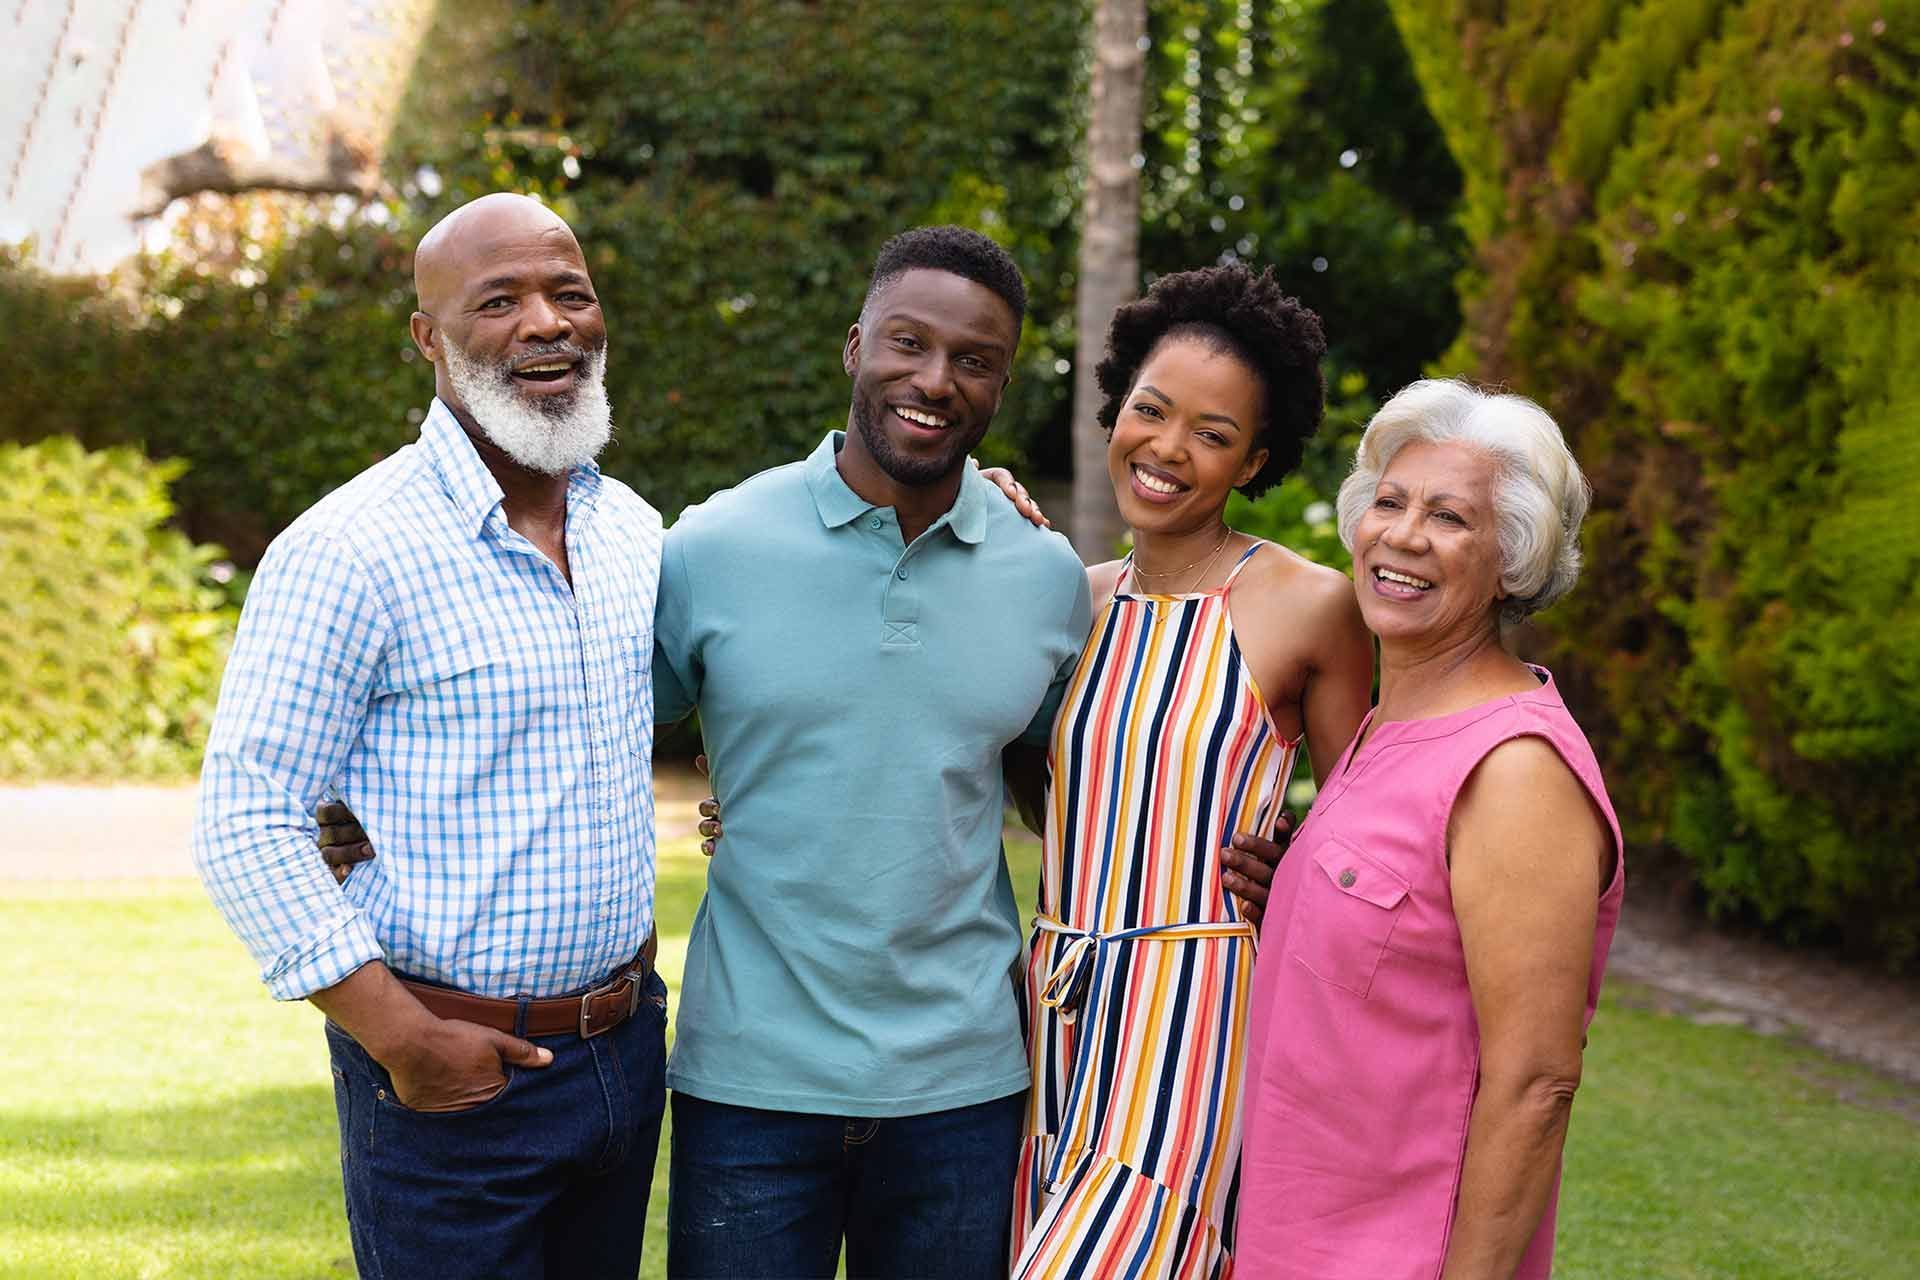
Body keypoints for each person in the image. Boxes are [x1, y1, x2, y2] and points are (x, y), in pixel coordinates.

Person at [193, 193, 670, 1280]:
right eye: (498, 300)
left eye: (570, 292)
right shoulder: (351, 547)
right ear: (429, 337)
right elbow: (245, 817)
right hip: (451, 1075)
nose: (545, 322)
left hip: (623, 1051)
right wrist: (404, 1038)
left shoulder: (632, 530)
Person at [652, 226, 1094, 1280]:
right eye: (908, 342)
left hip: (964, 1086)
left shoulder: (1046, 577)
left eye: (974, 359)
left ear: (1001, 382)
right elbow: (581, 737)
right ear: (856, 346)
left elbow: (1071, 785)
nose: (934, 380)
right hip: (751, 1080)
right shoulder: (711, 547)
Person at [1003, 263, 1375, 1277]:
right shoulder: (1061, 598)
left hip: (1198, 1005)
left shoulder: (1308, 604)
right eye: (1151, 411)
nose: (1167, 449)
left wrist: (1291, 862)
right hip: (1052, 1005)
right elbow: (1025, 779)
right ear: (1116, 408)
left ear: (1255, 459)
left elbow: (1370, 818)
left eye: (1212, 435)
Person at [1237, 379, 1625, 1279]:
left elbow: (1536, 1085)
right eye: (1390, 502)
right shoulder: (1388, 725)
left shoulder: (1516, 770)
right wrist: (1297, 898)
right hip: (1292, 1241)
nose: (1402, 536)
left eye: (1450, 518)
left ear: (1512, 561)